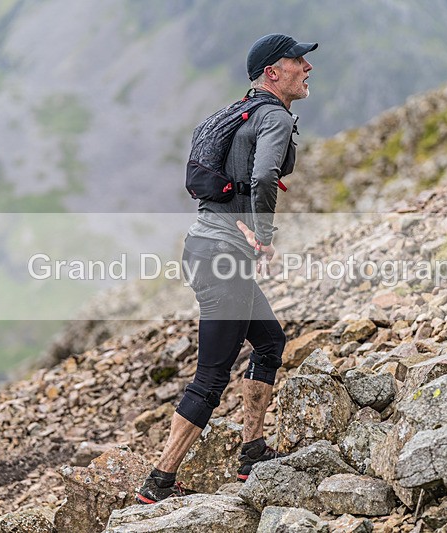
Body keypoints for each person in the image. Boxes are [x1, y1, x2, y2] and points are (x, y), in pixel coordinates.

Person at [135, 33, 317, 504]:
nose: (307, 67)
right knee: (212, 375)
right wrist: (265, 236)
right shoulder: (274, 115)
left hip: (208, 250)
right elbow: (259, 178)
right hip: (224, 258)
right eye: (298, 60)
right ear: (272, 73)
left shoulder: (244, 113)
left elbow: (244, 176)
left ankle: (252, 451)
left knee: (271, 341)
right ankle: (158, 481)